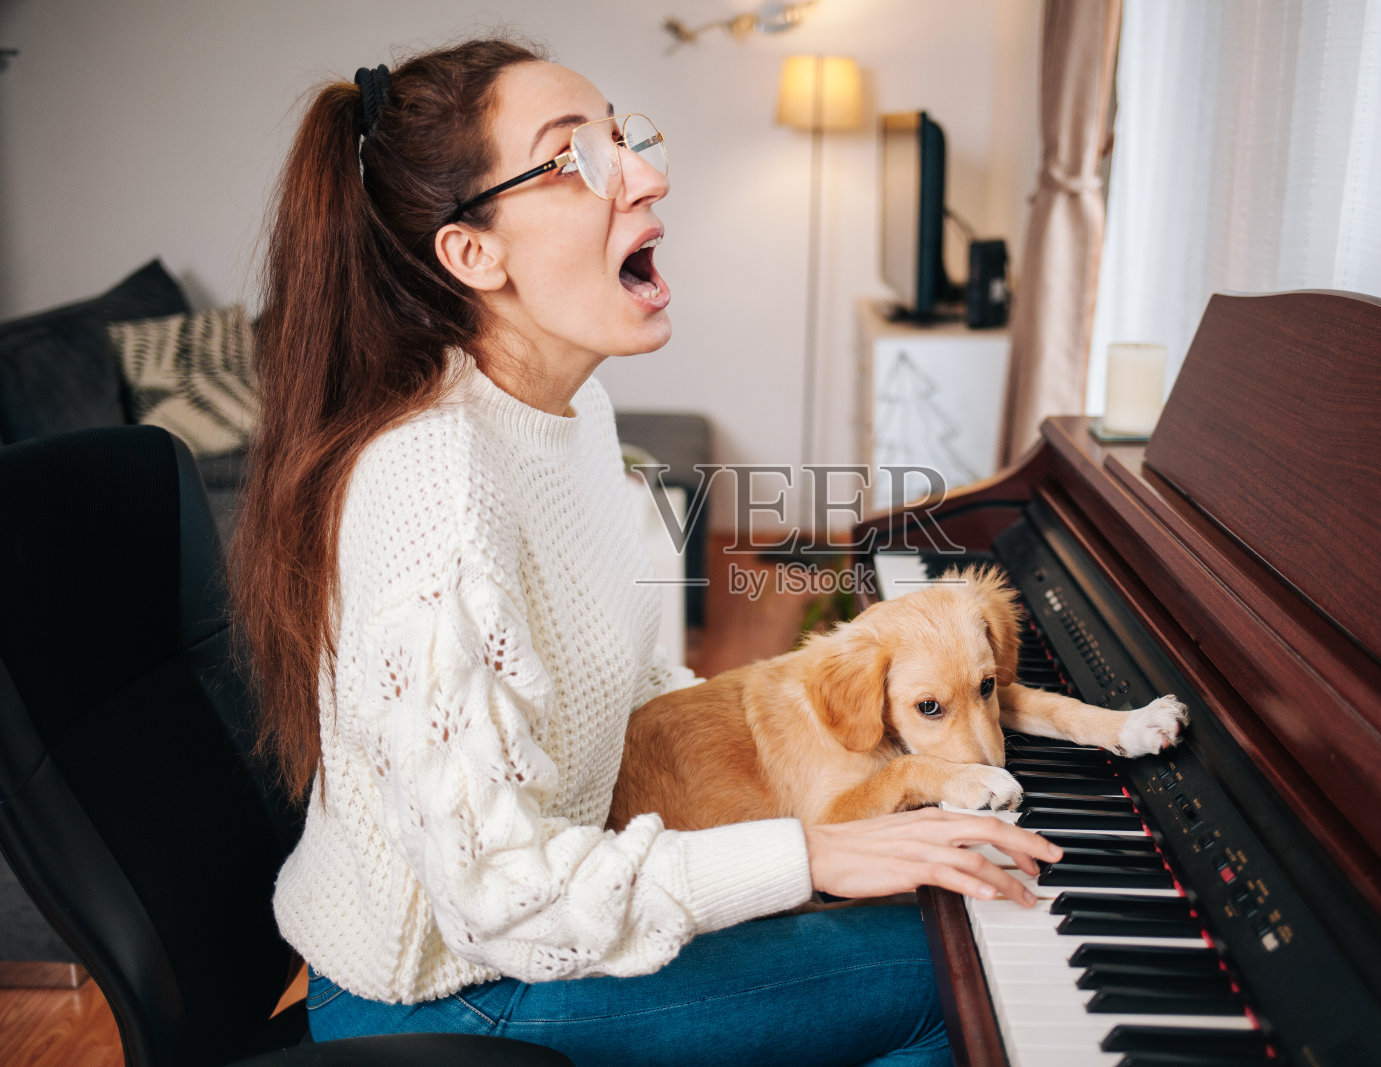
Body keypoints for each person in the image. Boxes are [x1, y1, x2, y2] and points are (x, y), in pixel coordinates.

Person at [231, 36, 1063, 1067]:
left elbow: (621, 684)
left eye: (623, 137)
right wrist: (811, 853)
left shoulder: (572, 410)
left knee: (949, 907)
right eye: (577, 156)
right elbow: (499, 900)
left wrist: (810, 761)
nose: (647, 175)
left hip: (546, 920)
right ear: (473, 253)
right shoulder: (432, 489)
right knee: (962, 969)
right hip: (455, 994)